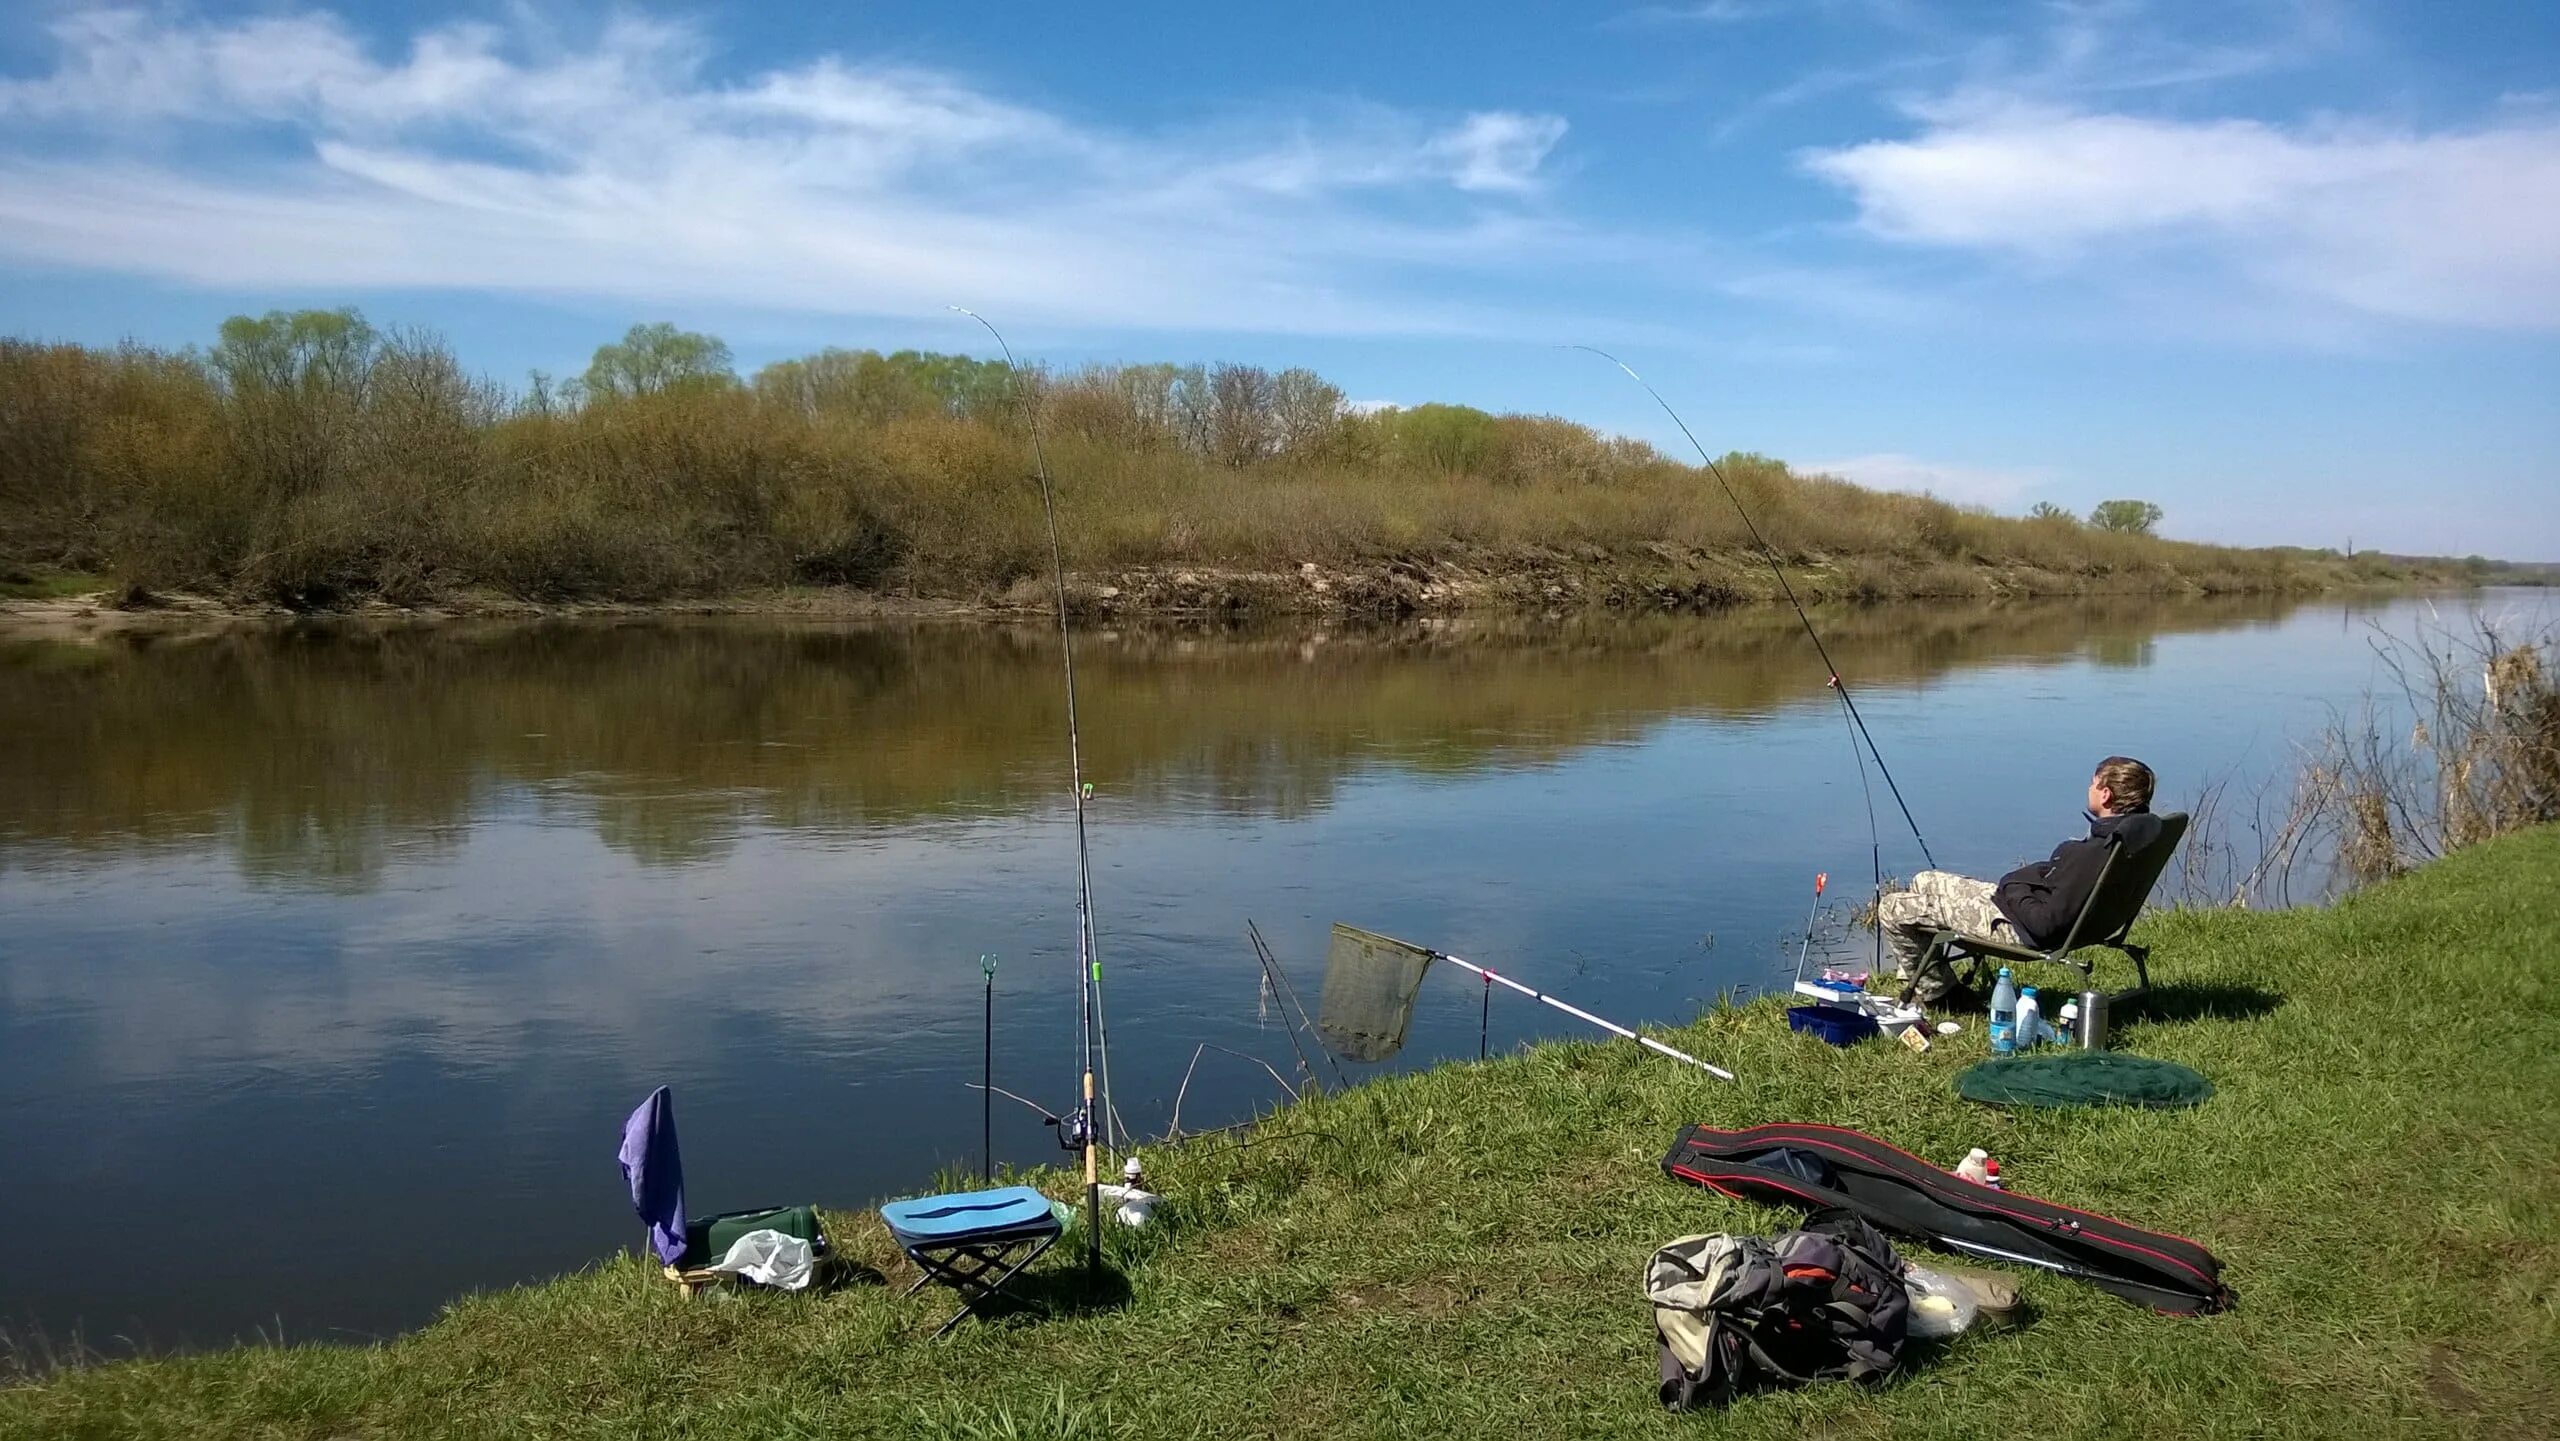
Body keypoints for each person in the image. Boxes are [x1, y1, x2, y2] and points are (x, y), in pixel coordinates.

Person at [1878, 757, 2162, 1000]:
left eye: (2093, 783)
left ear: (2105, 795)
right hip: (2051, 913)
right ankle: (1918, 980)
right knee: (1926, 880)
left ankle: (1942, 996)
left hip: (2020, 928)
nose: (2089, 788)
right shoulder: (2135, 836)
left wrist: (2014, 887)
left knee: (1892, 907)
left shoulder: (2093, 853)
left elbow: (2045, 924)